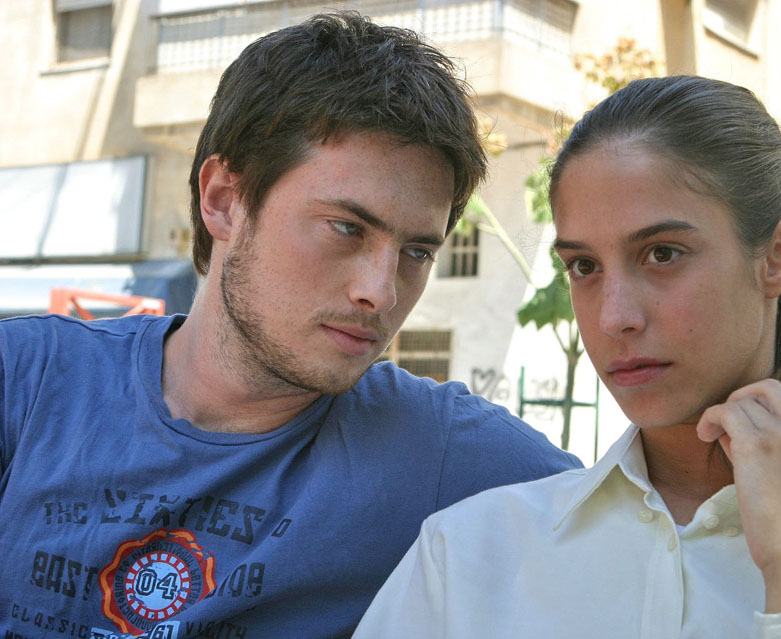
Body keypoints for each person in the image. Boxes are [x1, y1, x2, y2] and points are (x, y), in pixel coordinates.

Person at [0, 12, 580, 639]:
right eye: (346, 228)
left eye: (416, 251)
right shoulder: (28, 381)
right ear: (224, 199)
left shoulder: (440, 451)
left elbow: (638, 521)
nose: (381, 291)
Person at [354, 75, 781, 638]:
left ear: (779, 256)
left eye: (663, 253)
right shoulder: (467, 556)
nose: (615, 316)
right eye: (584, 266)